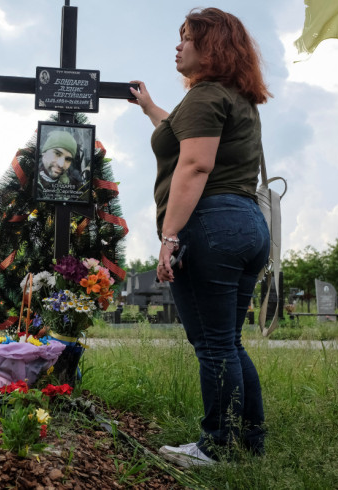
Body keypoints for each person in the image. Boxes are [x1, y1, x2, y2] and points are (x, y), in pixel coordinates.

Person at [129, 7, 271, 467]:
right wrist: (150, 107)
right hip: (247, 224)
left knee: (212, 345)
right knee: (228, 341)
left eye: (186, 38)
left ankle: (217, 447)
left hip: (210, 225)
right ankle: (249, 440)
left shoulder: (207, 96)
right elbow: (181, 138)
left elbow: (195, 164)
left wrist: (170, 236)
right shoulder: (232, 98)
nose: (178, 46)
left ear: (210, 46)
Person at [36, 130, 85, 200]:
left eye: (68, 159)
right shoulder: (28, 179)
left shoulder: (74, 187)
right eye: (57, 154)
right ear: (44, 153)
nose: (61, 164)